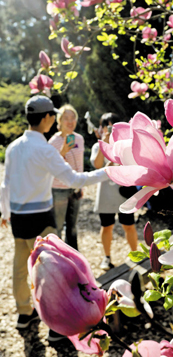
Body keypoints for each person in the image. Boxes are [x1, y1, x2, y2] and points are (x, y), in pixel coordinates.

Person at [0, 95, 108, 340]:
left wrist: (5, 212)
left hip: (18, 216)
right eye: (53, 115)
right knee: (51, 274)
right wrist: (109, 172)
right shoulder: (45, 150)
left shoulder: (14, 147)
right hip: (41, 218)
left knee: (19, 267)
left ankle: (24, 315)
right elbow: (75, 180)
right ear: (47, 118)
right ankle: (55, 327)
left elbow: (5, 184)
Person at [90, 112, 138, 271]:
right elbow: (98, 167)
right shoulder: (98, 146)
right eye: (106, 126)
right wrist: (104, 145)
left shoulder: (126, 145)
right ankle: (107, 257)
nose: (109, 130)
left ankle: (135, 254)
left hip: (124, 191)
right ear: (101, 128)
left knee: (129, 225)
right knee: (106, 226)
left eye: (112, 126)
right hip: (105, 193)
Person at [49, 104, 83, 250]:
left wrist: (80, 186)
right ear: (59, 121)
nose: (70, 121)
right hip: (58, 190)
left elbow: (80, 165)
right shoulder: (53, 142)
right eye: (66, 118)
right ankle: (58, 258)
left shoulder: (79, 139)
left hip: (75, 189)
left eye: (73, 118)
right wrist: (62, 152)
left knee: (73, 228)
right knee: (57, 229)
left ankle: (74, 258)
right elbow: (50, 167)